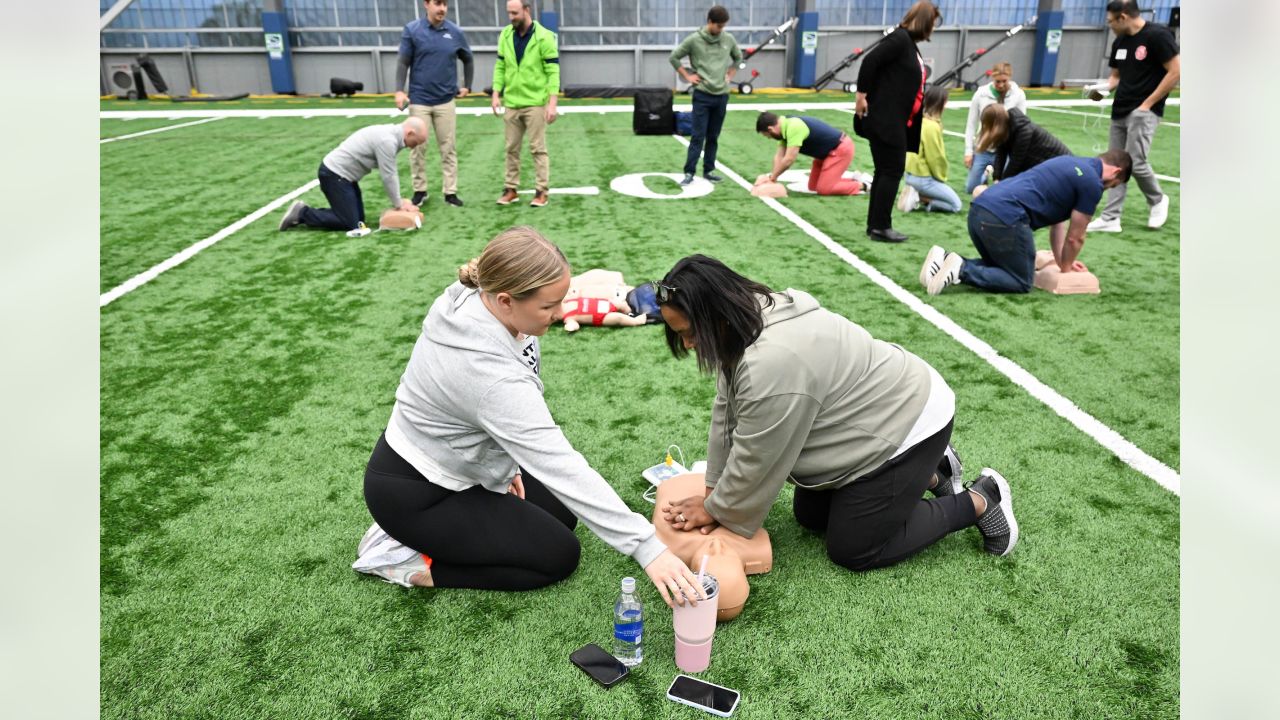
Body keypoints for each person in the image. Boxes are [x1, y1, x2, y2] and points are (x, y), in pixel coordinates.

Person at [355, 226, 704, 607]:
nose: (561, 313)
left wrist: (507, 469)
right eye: (548, 306)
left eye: (561, 299)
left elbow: (496, 420)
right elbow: (556, 460)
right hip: (417, 493)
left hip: (460, 464)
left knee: (563, 513)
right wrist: (648, 549)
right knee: (556, 555)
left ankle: (442, 528)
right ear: (506, 300)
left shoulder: (491, 301)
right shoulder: (484, 371)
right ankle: (403, 559)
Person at [653, 255, 1020, 573]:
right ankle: (930, 471)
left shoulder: (773, 361)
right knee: (811, 517)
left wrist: (717, 509)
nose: (687, 344)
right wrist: (714, 489)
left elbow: (757, 452)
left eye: (689, 332)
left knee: (855, 548)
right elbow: (726, 412)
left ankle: (980, 499)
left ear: (714, 313)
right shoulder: (747, 316)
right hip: (881, 412)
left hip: (907, 419)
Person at [921, 150, 1132, 295]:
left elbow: (1058, 224)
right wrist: (1067, 269)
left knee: (1002, 267)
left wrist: (1062, 264)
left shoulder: (1067, 161)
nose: (1109, 188)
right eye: (1114, 185)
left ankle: (944, 258)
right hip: (1004, 219)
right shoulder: (1092, 183)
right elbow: (1075, 237)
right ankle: (961, 268)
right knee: (1021, 281)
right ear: (1116, 172)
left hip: (979, 211)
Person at [1087, 0, 1180, 233]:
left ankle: (1157, 200)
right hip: (1120, 109)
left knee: (1136, 163)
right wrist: (1100, 91)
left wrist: (1147, 105)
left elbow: (1176, 71)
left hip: (1144, 111)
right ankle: (1111, 217)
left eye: (1110, 22)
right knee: (1112, 164)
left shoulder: (1158, 36)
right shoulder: (1119, 42)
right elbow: (1115, 78)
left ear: (1123, 17)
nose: (1109, 26)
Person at [853, 0, 941, 243]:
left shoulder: (908, 44)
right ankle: (881, 226)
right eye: (932, 23)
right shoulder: (900, 40)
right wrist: (861, 96)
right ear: (924, 21)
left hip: (892, 120)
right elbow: (870, 61)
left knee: (885, 171)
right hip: (885, 120)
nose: (933, 28)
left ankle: (876, 225)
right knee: (891, 171)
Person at [278, 119, 427, 232]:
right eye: (417, 142)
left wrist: (400, 202)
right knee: (350, 224)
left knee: (358, 220)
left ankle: (312, 212)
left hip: (346, 178)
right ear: (410, 133)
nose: (415, 146)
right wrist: (399, 205)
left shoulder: (391, 136)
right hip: (334, 175)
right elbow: (388, 175)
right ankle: (302, 213)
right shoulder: (387, 141)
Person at [395, 0, 474, 208]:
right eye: (438, 3)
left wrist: (468, 85)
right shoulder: (412, 30)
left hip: (446, 102)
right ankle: (420, 191)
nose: (442, 9)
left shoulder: (455, 32)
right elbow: (403, 61)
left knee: (448, 148)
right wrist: (399, 90)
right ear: (426, 4)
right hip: (419, 101)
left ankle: (450, 192)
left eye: (445, 4)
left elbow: (468, 58)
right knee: (417, 148)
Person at [491, 0, 560, 208]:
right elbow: (500, 66)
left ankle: (541, 191)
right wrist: (496, 93)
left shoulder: (544, 37)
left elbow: (553, 72)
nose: (511, 17)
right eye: (509, 13)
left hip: (535, 104)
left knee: (537, 148)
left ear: (527, 10)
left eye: (515, 13)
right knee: (511, 148)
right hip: (512, 102)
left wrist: (552, 103)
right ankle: (511, 189)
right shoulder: (505, 35)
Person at [669, 6, 742, 187]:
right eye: (718, 26)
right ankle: (689, 172)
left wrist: (730, 75)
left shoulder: (728, 39)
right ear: (709, 22)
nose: (721, 30)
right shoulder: (694, 40)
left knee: (713, 136)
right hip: (702, 94)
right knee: (697, 136)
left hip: (722, 96)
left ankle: (709, 170)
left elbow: (738, 58)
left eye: (723, 26)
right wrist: (687, 76)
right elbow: (674, 57)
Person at [754, 112, 865, 196]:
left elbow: (789, 159)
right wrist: (772, 177)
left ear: (770, 129)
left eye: (767, 135)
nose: (769, 138)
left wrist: (772, 178)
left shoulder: (793, 127)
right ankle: (854, 179)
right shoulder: (784, 126)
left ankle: (863, 186)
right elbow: (779, 156)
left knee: (824, 190)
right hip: (824, 154)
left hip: (840, 149)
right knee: (813, 186)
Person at [970, 105, 1071, 194]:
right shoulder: (1006, 128)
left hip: (1061, 165)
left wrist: (1002, 184)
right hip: (1041, 166)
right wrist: (997, 177)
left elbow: (1016, 162)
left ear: (996, 124)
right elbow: (1001, 154)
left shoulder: (1024, 130)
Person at [962, 62, 1027, 194]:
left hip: (1005, 148)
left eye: (1004, 81)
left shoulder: (1018, 95)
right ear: (992, 77)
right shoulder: (981, 94)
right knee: (970, 188)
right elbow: (971, 124)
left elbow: (1022, 126)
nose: (1001, 85)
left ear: (1010, 77)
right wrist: (968, 151)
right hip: (983, 147)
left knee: (1005, 188)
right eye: (998, 81)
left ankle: (996, 174)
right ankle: (985, 174)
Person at [898, 84, 962, 213]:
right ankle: (919, 198)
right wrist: (941, 177)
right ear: (941, 103)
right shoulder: (932, 126)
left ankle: (917, 194)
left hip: (909, 174)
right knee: (956, 205)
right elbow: (935, 157)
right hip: (923, 178)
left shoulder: (918, 120)